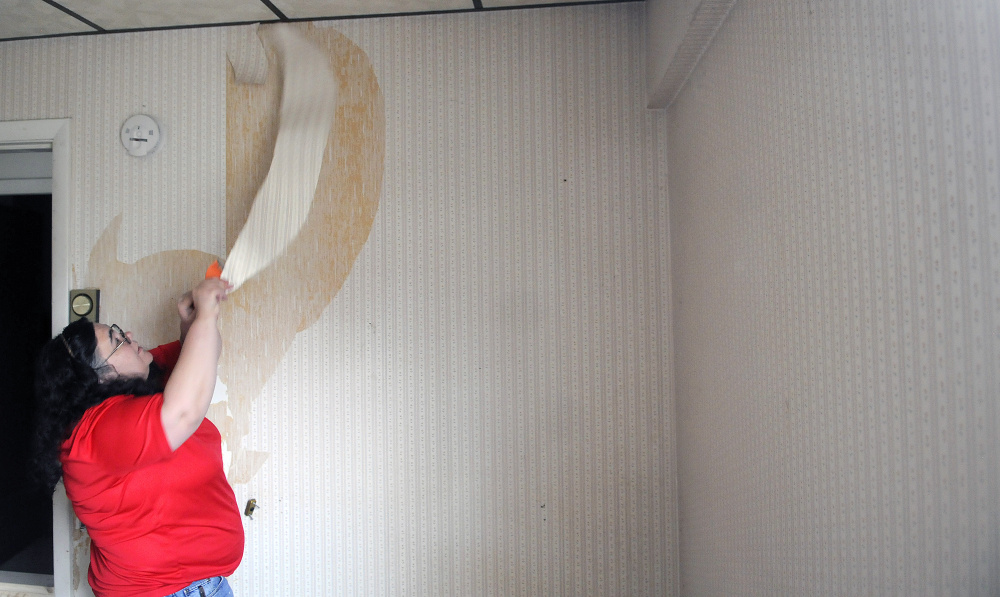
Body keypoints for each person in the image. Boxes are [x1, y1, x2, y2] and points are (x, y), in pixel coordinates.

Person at [32, 277, 243, 597]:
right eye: (117, 340)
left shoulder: (141, 382)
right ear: (98, 377)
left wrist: (191, 323)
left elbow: (202, 360)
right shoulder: (95, 434)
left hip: (192, 587)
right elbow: (185, 411)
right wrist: (205, 317)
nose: (129, 335)